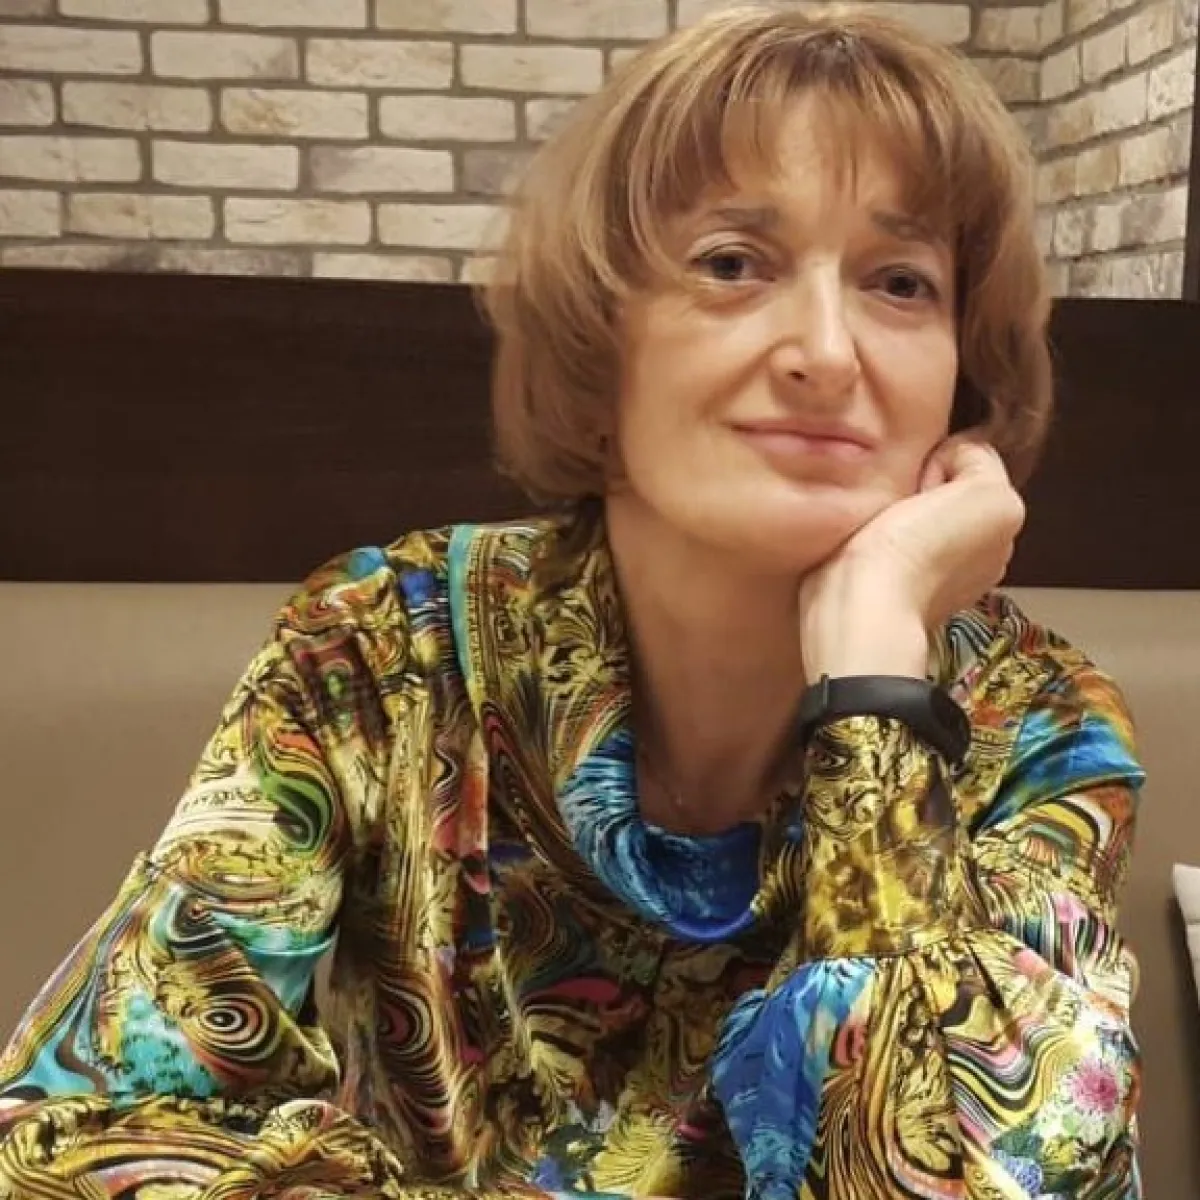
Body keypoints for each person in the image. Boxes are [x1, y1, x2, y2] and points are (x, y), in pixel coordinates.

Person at [0, 6, 1144, 1199]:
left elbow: (971, 1175)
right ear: (603, 335)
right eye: (732, 264)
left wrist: (872, 678)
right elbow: (70, 1141)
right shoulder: (386, 650)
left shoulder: (1036, 726)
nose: (825, 350)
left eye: (899, 282)